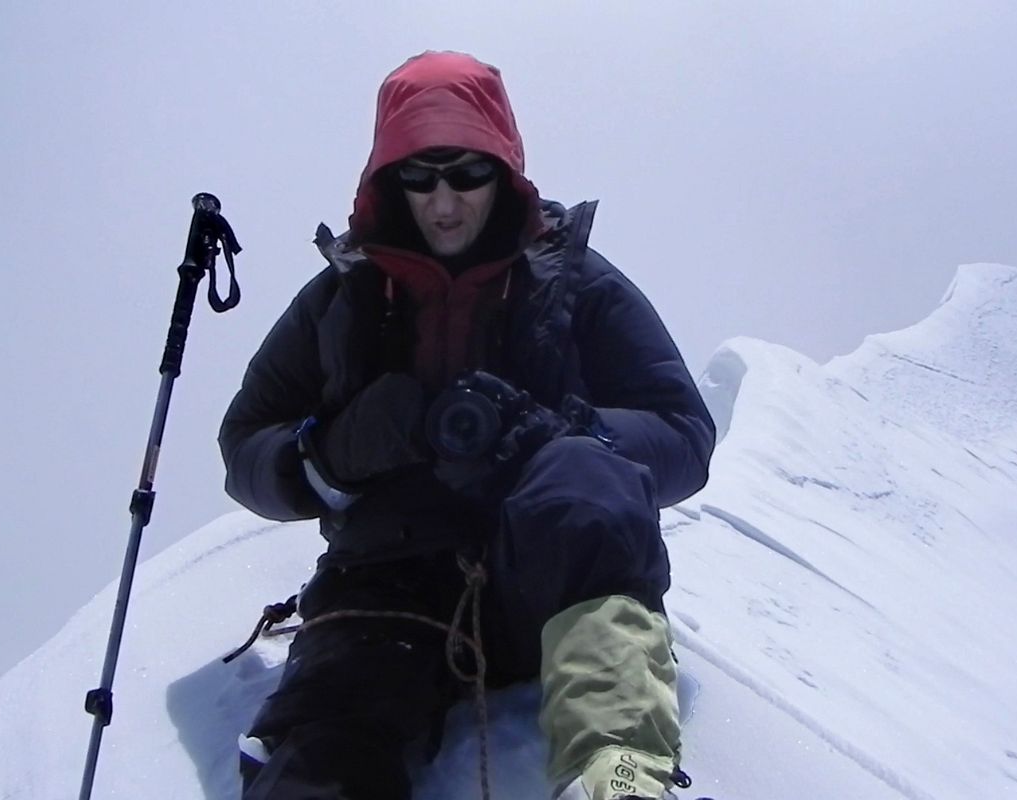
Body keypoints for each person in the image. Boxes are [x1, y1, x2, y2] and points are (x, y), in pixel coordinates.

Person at [219, 50, 715, 800]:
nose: (443, 201)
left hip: (545, 583)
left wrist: (559, 434)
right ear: (387, 181)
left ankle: (622, 779)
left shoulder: (573, 281)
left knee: (580, 475)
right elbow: (246, 443)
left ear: (504, 170)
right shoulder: (343, 299)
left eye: (466, 173)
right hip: (384, 586)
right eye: (418, 177)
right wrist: (329, 452)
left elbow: (682, 432)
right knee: (329, 741)